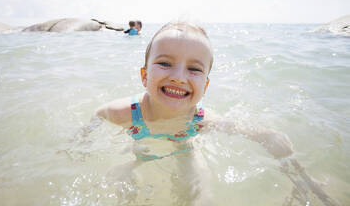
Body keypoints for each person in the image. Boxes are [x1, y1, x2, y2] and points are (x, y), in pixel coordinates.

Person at [87, 21, 292, 204]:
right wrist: (82, 140)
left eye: (194, 69)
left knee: (201, 196)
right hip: (141, 154)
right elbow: (99, 114)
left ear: (205, 86)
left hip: (183, 151)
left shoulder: (201, 120)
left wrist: (270, 137)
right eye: (165, 63)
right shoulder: (129, 112)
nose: (179, 77)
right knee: (116, 190)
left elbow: (246, 130)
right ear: (144, 75)